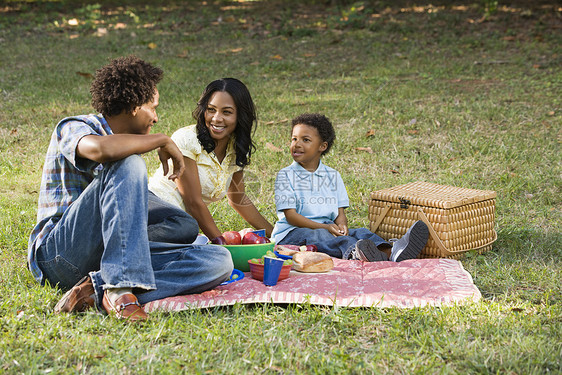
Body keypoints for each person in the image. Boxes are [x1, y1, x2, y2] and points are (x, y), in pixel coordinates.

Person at [27, 56, 233, 321]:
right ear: (135, 106)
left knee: (215, 258)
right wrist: (161, 140)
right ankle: (120, 289)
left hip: (103, 260)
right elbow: (101, 149)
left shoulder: (129, 146)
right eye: (153, 107)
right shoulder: (74, 127)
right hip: (60, 258)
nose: (156, 118)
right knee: (129, 163)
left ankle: (97, 287)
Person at [271, 113, 429, 262]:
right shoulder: (286, 175)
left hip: (327, 227)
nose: (297, 144)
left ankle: (391, 251)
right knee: (323, 237)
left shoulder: (332, 175)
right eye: (294, 139)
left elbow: (340, 212)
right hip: (293, 233)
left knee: (359, 232)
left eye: (305, 140)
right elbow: (291, 217)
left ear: (322, 146)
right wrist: (325, 227)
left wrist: (342, 225)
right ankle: (355, 254)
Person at [148, 78, 273, 244]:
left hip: (182, 227)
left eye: (227, 112)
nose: (216, 118)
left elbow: (238, 198)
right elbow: (193, 202)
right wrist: (223, 244)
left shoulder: (234, 148)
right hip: (156, 215)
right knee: (192, 235)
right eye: (211, 110)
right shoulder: (187, 139)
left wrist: (276, 235)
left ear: (240, 116)